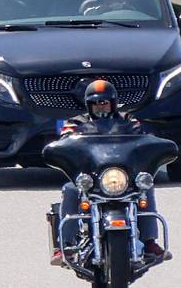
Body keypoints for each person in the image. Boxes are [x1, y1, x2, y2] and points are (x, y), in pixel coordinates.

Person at [47, 79, 165, 264]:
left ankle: (150, 243)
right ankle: (66, 247)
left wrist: (156, 146)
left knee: (145, 188)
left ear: (113, 103)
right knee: (70, 189)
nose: (100, 106)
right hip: (91, 178)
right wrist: (59, 150)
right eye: (95, 103)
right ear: (88, 104)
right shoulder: (76, 123)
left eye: (104, 102)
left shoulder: (128, 121)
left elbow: (144, 140)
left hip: (121, 176)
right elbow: (64, 143)